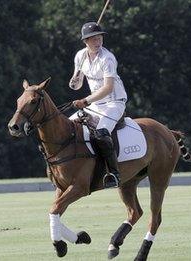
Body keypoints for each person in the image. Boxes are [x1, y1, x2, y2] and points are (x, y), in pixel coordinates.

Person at [69, 22, 127, 188]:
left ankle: (113, 174)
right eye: (93, 38)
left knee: (101, 134)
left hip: (114, 102)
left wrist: (86, 101)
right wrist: (74, 81)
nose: (98, 41)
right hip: (95, 104)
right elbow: (76, 84)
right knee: (69, 127)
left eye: (99, 37)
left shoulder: (107, 58)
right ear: (85, 41)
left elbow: (108, 88)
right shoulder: (80, 56)